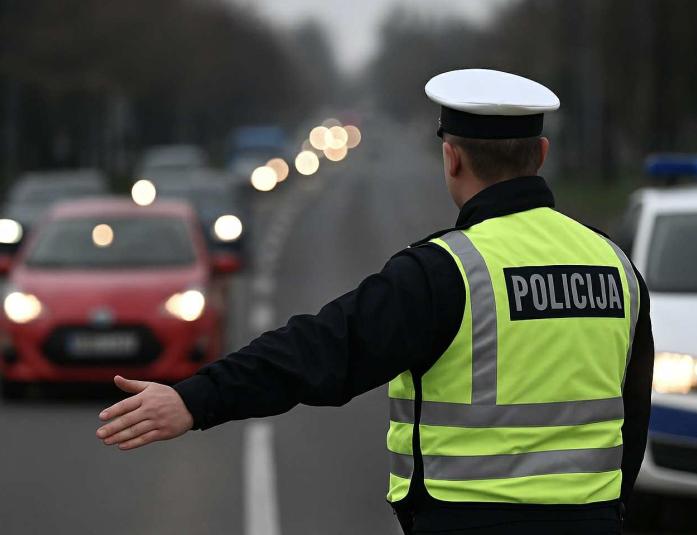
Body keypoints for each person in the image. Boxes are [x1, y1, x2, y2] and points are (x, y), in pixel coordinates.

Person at [96, 69, 653, 534]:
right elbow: (633, 418)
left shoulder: (446, 271)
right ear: (542, 153)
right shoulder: (618, 267)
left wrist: (195, 399)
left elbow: (319, 351)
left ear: (452, 158)